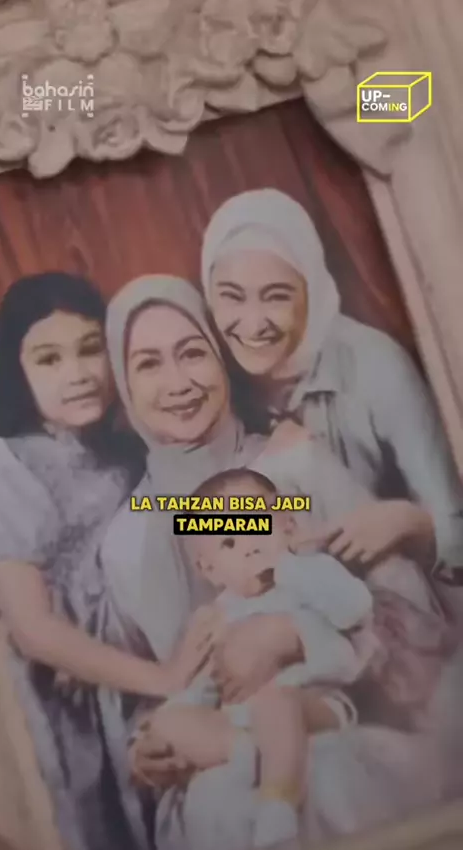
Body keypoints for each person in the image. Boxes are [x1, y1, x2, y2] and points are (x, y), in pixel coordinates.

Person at [100, 274, 449, 850]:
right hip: (217, 751)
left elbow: (416, 617)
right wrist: (148, 748)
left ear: (222, 358)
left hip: (344, 715)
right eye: (148, 364)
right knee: (217, 804)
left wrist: (292, 634)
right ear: (123, 385)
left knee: (329, 777)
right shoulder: (127, 540)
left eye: (193, 353)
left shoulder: (294, 467)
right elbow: (148, 689)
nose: (178, 383)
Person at [0, 272, 214, 850]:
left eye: (91, 349)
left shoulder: (128, 455)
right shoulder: (2, 468)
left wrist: (286, 503)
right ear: (17, 372)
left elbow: (194, 524)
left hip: (135, 684)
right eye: (49, 359)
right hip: (63, 701)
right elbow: (34, 630)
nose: (79, 373)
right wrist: (165, 679)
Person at [201, 188, 463, 579]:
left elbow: (456, 523)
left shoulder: (372, 361)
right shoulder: (205, 378)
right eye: (232, 297)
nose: (253, 325)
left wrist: (408, 522)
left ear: (313, 289)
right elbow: (204, 525)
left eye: (276, 297)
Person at [138, 467, 377, 848]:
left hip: (311, 704)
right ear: (209, 570)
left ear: (287, 524)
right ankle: (246, 753)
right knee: (167, 722)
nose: (250, 547)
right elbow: (205, 684)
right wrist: (174, 719)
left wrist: (288, 564)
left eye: (259, 527)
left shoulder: (308, 575)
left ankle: (277, 807)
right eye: (229, 542)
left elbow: (355, 610)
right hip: (239, 724)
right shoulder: (217, 617)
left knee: (275, 703)